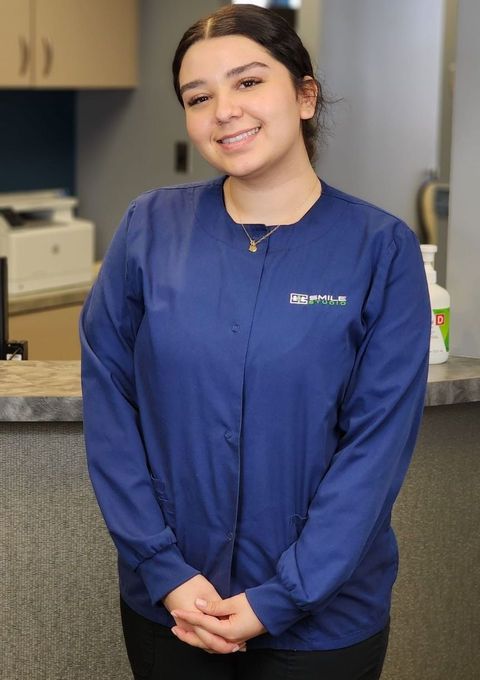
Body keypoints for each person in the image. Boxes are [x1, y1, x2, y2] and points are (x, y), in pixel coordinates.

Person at [80, 4, 431, 679]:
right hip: (174, 608)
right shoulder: (147, 229)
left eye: (247, 83)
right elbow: (111, 410)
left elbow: (375, 450)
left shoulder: (379, 249)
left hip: (323, 622)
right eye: (198, 96)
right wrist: (163, 569)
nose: (223, 111)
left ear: (304, 96)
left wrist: (282, 596)